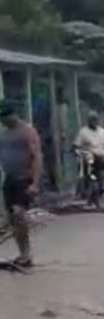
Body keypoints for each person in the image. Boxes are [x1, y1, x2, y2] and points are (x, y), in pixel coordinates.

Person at [0, 101, 43, 269]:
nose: (3, 120)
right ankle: (22, 253)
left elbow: (37, 156)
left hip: (24, 177)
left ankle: (27, 253)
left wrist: (35, 183)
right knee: (12, 218)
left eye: (5, 117)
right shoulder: (3, 134)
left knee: (19, 213)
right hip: (10, 179)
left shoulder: (27, 131)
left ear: (13, 114)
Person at [74, 111, 104, 194]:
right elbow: (76, 145)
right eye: (92, 120)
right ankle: (83, 189)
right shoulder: (83, 132)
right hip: (88, 157)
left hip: (101, 157)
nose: (94, 121)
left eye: (95, 119)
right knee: (84, 170)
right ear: (89, 121)